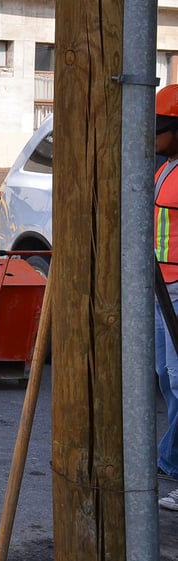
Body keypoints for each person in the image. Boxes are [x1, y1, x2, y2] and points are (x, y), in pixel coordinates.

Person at [153, 83, 178, 510]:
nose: (150, 133)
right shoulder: (164, 167)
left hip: (177, 288)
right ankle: (169, 460)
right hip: (160, 288)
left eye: (158, 127)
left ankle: (170, 462)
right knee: (164, 377)